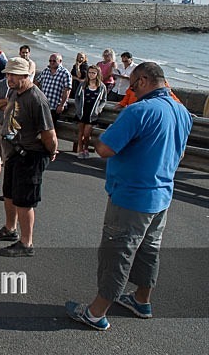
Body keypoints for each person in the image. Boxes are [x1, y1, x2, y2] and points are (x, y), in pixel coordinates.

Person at [65, 62, 192, 331]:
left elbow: (105, 148)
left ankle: (96, 312)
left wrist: (101, 137)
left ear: (144, 81)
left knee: (117, 253)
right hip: (162, 195)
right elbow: (181, 154)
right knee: (149, 251)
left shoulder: (138, 111)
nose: (132, 91)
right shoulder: (182, 112)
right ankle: (141, 300)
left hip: (132, 196)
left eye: (133, 86)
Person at [0, 57, 57, 257]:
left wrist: (51, 151)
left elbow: (49, 133)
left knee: (25, 201)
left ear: (26, 75)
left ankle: (27, 243)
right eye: (8, 74)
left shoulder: (36, 98)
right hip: (15, 152)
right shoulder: (16, 93)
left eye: (14, 75)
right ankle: (10, 229)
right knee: (9, 194)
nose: (9, 78)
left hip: (31, 155)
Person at [74, 66, 107, 159]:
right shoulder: (83, 84)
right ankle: (80, 150)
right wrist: (77, 108)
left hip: (92, 113)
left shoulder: (102, 86)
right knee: (80, 132)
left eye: (93, 73)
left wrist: (99, 109)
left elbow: (104, 100)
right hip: (82, 111)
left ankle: (86, 148)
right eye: (90, 72)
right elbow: (77, 97)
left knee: (87, 134)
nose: (91, 75)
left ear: (97, 74)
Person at [34, 53, 72, 122]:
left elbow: (67, 90)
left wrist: (62, 105)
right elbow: (36, 83)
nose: (52, 62)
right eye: (50, 61)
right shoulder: (46, 71)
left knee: (51, 128)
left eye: (54, 61)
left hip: (55, 106)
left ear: (60, 61)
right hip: (43, 104)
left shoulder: (65, 73)